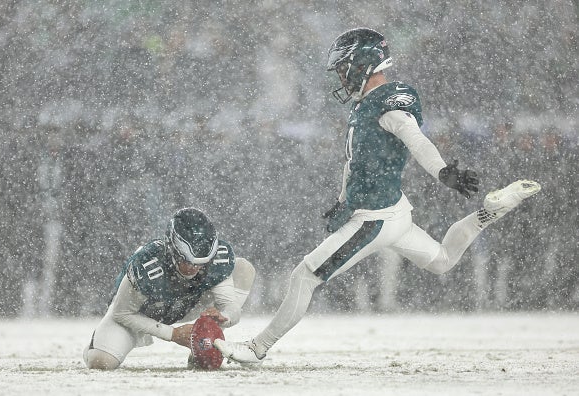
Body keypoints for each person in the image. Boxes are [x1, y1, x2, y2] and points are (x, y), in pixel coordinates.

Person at [214, 28, 541, 363]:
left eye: (344, 68)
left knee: (304, 276)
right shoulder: (369, 104)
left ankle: (257, 348)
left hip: (374, 218)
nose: (341, 76)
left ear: (362, 64)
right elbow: (354, 163)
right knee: (442, 260)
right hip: (395, 212)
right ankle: (491, 211)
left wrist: (444, 171)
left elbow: (416, 139)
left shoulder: (388, 106)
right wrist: (343, 199)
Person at [83, 207, 256, 370]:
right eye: (187, 261)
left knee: (244, 269)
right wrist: (172, 333)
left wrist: (224, 317)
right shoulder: (147, 265)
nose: (195, 269)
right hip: (141, 313)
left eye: (202, 263)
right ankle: (97, 343)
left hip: (187, 305)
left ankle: (205, 343)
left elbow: (231, 307)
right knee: (101, 361)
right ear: (172, 250)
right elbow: (122, 313)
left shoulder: (217, 260)